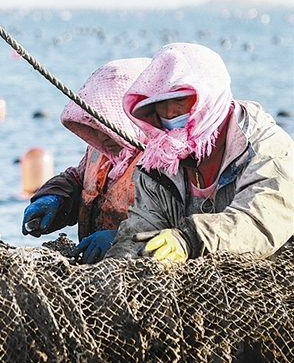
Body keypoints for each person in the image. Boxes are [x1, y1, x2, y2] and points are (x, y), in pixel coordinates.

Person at [105, 42, 294, 263]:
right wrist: (118, 264)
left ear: (209, 96)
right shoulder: (159, 161)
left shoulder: (267, 149)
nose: (169, 112)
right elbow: (143, 227)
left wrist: (189, 239)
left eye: (180, 99)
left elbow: (260, 222)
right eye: (161, 103)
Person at [21, 58, 150, 263]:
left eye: (111, 121)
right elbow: (79, 180)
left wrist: (123, 239)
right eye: (95, 125)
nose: (102, 135)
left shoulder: (164, 160)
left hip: (144, 273)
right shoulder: (100, 150)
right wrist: (55, 197)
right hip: (96, 270)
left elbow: (177, 226)